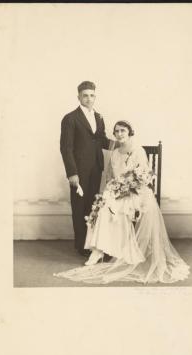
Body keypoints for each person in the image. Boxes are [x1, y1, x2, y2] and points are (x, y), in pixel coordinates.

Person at [56, 120, 190, 284]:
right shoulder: (114, 153)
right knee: (104, 206)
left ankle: (121, 251)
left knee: (118, 207)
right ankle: (98, 251)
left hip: (137, 191)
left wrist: (125, 189)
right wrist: (111, 191)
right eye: (116, 131)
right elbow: (111, 177)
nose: (119, 134)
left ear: (129, 132)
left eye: (123, 131)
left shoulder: (138, 151)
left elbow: (143, 177)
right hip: (119, 189)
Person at [60, 81, 115, 256]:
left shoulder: (98, 117)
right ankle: (80, 245)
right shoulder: (70, 118)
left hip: (96, 168)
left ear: (95, 96)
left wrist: (122, 143)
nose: (89, 98)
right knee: (79, 207)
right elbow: (66, 148)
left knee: (93, 206)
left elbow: (101, 140)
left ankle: (91, 242)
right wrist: (72, 173)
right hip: (79, 170)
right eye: (85, 95)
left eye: (92, 95)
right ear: (79, 97)